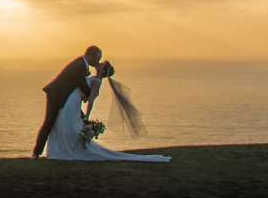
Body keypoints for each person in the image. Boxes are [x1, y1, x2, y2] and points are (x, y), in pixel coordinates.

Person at [41, 59, 171, 163]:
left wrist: (86, 117)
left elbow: (90, 101)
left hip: (74, 105)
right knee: (64, 126)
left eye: (102, 64)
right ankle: (63, 150)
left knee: (67, 127)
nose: (99, 63)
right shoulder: (93, 78)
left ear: (102, 70)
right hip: (73, 104)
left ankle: (66, 151)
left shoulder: (96, 82)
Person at [31, 44, 99, 158]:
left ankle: (71, 148)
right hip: (56, 95)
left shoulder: (82, 64)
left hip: (64, 98)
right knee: (49, 123)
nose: (98, 61)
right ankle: (36, 153)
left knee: (77, 119)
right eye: (97, 58)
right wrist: (90, 94)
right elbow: (81, 83)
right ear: (91, 56)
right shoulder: (80, 65)